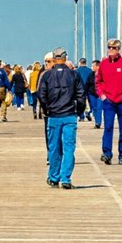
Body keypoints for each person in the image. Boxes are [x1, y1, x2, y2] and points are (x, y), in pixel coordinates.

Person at [36, 49, 83, 189]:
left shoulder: (47, 76)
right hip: (69, 115)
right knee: (69, 148)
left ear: (54, 59)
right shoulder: (74, 75)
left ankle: (54, 177)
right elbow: (81, 95)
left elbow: (41, 95)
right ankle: (66, 178)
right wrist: (78, 111)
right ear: (65, 58)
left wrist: (47, 110)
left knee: (54, 147)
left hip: (54, 116)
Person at [96, 39, 122, 164]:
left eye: (114, 48)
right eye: (109, 47)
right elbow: (98, 82)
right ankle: (107, 153)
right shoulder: (103, 64)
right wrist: (102, 95)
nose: (111, 50)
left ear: (119, 49)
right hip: (108, 101)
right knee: (108, 127)